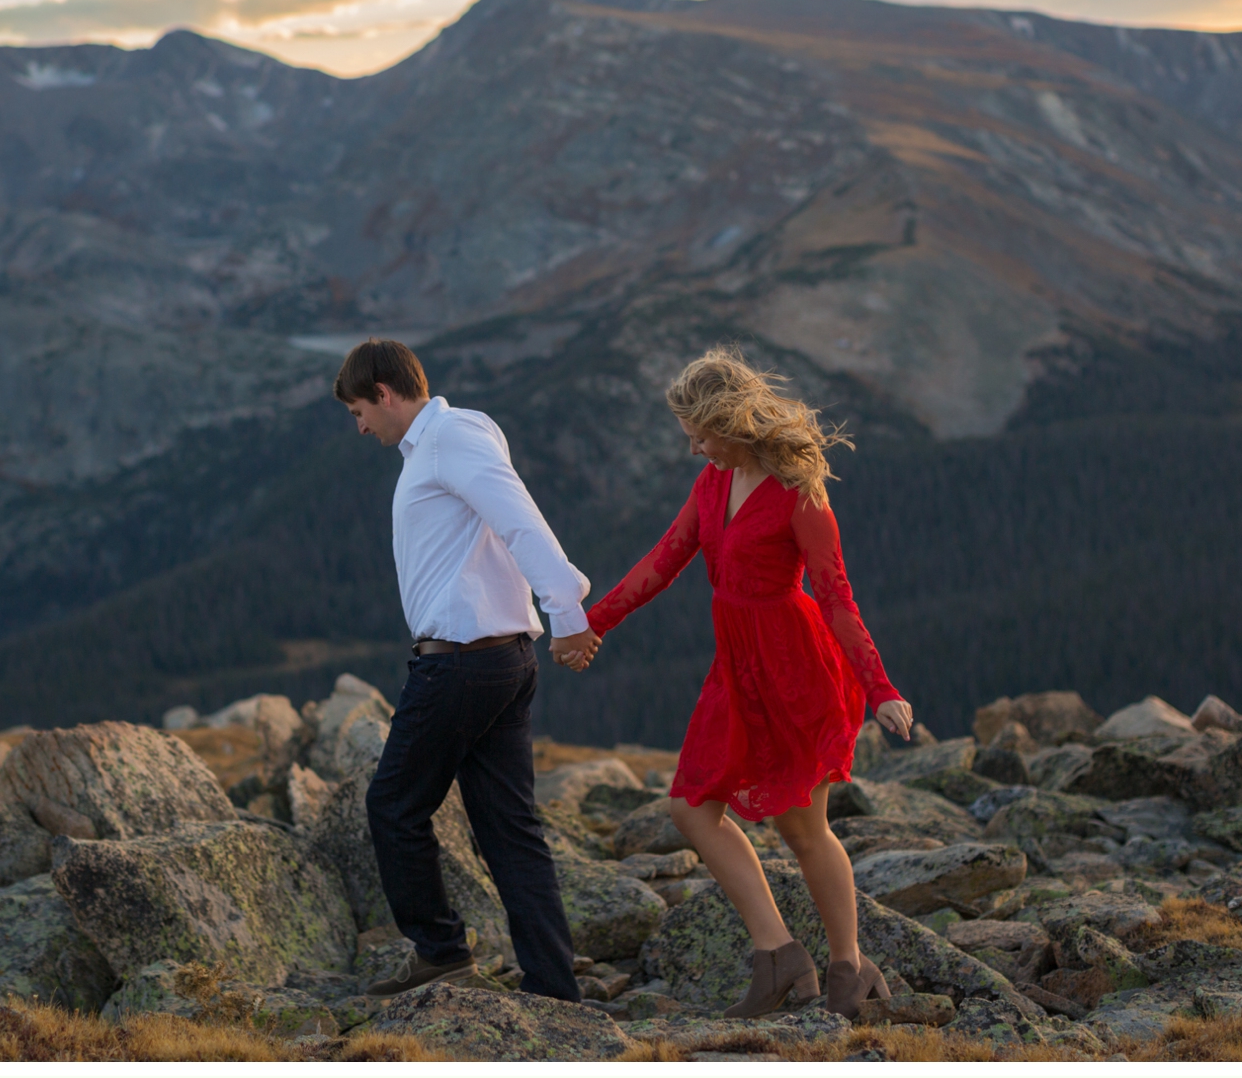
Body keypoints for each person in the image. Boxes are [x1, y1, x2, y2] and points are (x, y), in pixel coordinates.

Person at [581, 346, 914, 1019]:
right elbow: (663, 559)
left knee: (804, 829)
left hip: (797, 672)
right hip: (736, 670)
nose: (696, 447)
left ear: (731, 421)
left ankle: (848, 966)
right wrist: (593, 623)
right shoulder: (710, 484)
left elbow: (837, 597)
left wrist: (880, 688)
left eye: (701, 434)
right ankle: (780, 954)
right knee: (691, 805)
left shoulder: (800, 491)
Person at [335, 338, 601, 1003]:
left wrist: (568, 610)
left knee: (394, 805)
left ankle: (442, 951)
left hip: (461, 664)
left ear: (386, 393)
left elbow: (520, 521)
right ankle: (552, 984)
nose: (359, 425)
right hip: (500, 660)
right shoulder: (459, 433)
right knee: (509, 828)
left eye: (359, 409)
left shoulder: (450, 437)